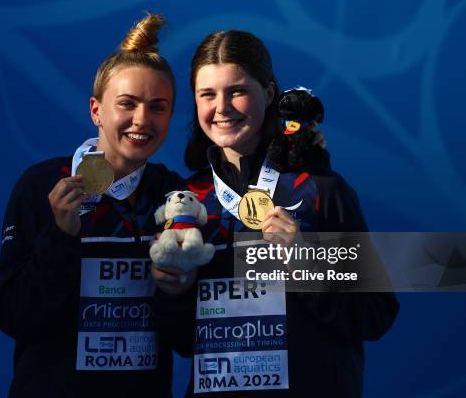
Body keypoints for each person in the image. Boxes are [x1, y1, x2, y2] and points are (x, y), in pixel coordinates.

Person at [152, 30, 399, 397]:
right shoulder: (189, 202)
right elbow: (184, 343)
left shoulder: (320, 190)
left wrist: (305, 263)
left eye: (237, 91)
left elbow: (375, 314)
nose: (221, 108)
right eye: (207, 94)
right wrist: (174, 292)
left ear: (268, 94)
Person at [0, 13, 183, 397]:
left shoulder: (174, 195)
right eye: (127, 104)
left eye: (158, 107)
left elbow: (185, 339)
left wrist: (177, 290)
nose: (141, 120)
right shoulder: (42, 184)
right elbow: (14, 316)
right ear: (96, 110)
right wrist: (60, 237)